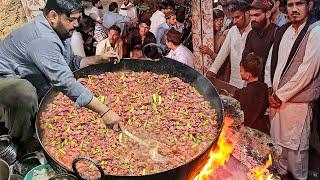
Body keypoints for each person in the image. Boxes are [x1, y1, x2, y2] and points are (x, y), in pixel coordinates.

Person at [0, 0, 121, 150]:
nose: (76, 24)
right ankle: (22, 142)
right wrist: (104, 111)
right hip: (5, 79)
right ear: (53, 16)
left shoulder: (60, 31)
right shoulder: (43, 39)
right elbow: (63, 80)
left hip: (27, 74)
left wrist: (98, 59)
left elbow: (70, 63)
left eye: (78, 19)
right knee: (24, 92)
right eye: (71, 20)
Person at [265, 0, 320, 179]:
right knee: (278, 150)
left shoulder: (315, 31)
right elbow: (270, 63)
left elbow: (307, 72)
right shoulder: (282, 31)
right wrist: (269, 89)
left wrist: (280, 95)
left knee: (296, 156)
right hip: (276, 102)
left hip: (297, 105)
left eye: (299, 4)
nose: (294, 9)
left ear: (310, 5)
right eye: (290, 5)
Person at [207, 1, 252, 88]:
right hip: (234, 78)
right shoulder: (232, 31)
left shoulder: (253, 30)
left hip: (249, 80)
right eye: (232, 18)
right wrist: (213, 70)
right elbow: (223, 53)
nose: (234, 21)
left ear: (247, 14)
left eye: (237, 17)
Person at [242, 0, 278, 82]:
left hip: (272, 84)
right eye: (251, 16)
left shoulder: (277, 33)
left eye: (257, 15)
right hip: (255, 83)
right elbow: (245, 59)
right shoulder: (251, 34)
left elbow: (276, 63)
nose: (253, 19)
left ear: (268, 14)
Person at [234, 53, 269, 134]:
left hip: (248, 132)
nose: (240, 73)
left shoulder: (243, 93)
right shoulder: (264, 87)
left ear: (248, 74)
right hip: (262, 129)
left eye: (241, 70)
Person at [200, 9, 230, 82]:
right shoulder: (204, 35)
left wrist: (210, 53)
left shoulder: (222, 37)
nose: (219, 23)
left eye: (221, 20)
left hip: (218, 74)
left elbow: (223, 60)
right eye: (216, 20)